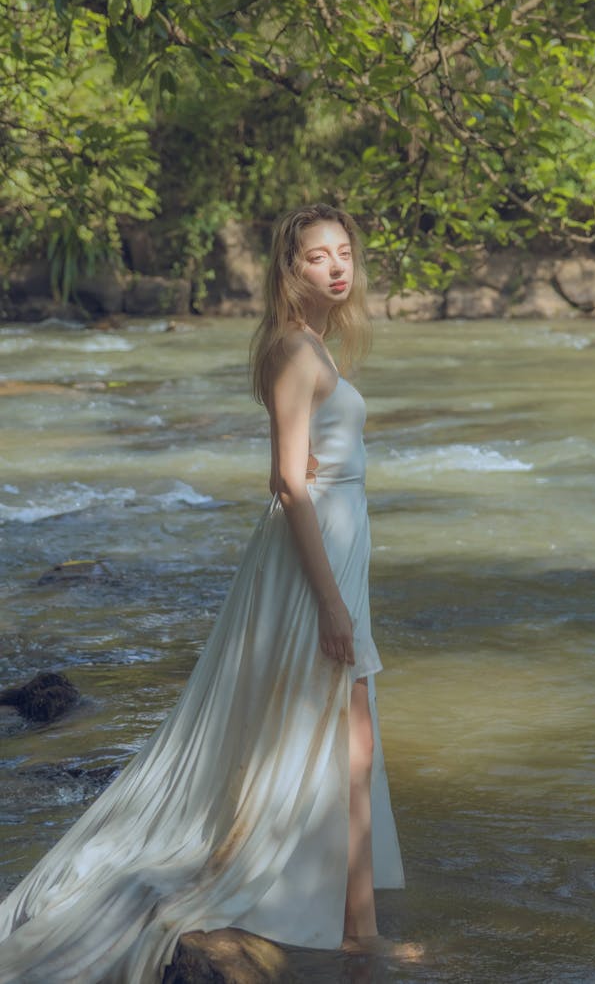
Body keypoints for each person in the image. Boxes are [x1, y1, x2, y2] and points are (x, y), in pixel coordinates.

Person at [0, 202, 405, 983]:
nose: (337, 265)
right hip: (307, 572)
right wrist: (329, 603)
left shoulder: (315, 347)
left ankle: (359, 931)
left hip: (331, 556)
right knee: (348, 745)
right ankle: (358, 937)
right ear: (291, 270)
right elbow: (289, 482)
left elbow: (301, 472)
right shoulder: (294, 350)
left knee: (350, 747)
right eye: (318, 255)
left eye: (345, 252)